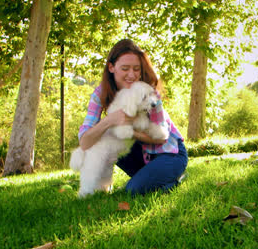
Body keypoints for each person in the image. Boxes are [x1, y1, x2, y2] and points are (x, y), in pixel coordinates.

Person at [78, 39, 188, 195]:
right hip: (141, 156)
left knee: (132, 191)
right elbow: (85, 141)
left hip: (170, 153)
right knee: (105, 136)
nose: (132, 75)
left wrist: (130, 131)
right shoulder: (100, 94)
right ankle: (101, 189)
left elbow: (162, 137)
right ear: (111, 67)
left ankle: (170, 178)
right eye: (125, 68)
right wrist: (109, 121)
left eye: (136, 69)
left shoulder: (149, 93)